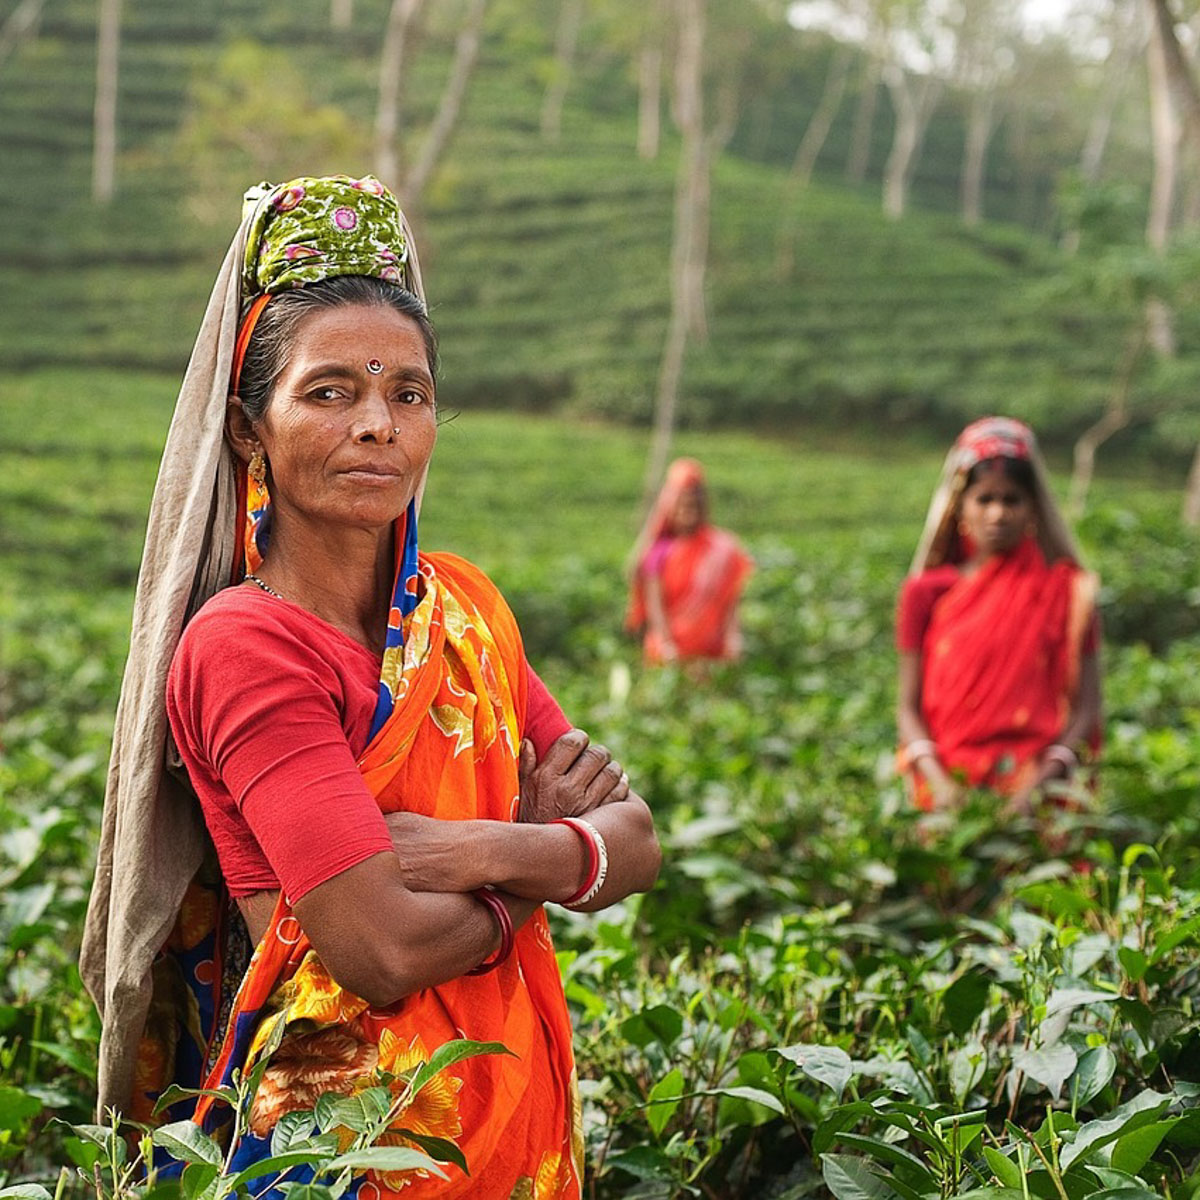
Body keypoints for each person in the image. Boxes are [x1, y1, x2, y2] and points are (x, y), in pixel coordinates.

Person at [80, 175, 660, 1199]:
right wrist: (548, 867)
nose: (378, 425)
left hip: (506, 1108)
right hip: (347, 1143)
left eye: (409, 393)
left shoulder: (466, 607)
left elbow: (641, 842)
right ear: (250, 428)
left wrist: (483, 848)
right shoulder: (247, 646)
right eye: (330, 391)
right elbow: (380, 951)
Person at [895, 416, 1102, 815]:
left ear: (1033, 510)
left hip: (1036, 787)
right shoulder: (926, 594)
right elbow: (907, 707)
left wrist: (1037, 789)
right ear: (960, 507)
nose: (997, 514)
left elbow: (1087, 708)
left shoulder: (1067, 592)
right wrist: (938, 783)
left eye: (1011, 500)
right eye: (985, 499)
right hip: (946, 787)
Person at [625, 458, 753, 665]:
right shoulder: (659, 551)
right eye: (682, 505)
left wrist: (733, 639)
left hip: (713, 654)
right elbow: (655, 606)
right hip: (669, 653)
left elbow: (731, 602)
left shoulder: (721, 549)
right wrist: (667, 645)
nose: (687, 512)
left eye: (693, 505)